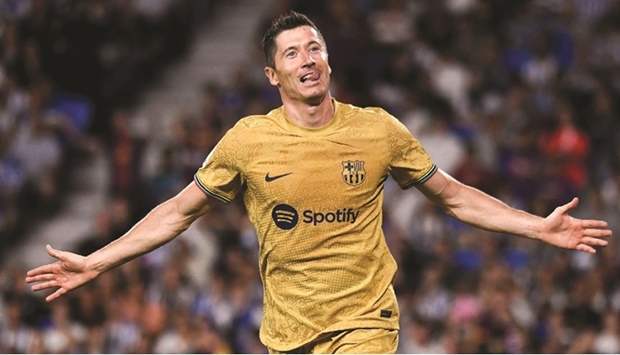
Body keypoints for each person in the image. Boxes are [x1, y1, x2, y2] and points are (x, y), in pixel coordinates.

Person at [25, 11, 612, 354]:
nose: (307, 57)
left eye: (316, 47)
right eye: (292, 52)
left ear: (328, 61)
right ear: (271, 73)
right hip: (286, 333)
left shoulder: (378, 130)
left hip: (365, 322)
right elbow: (177, 212)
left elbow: (454, 197)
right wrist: (99, 261)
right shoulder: (248, 140)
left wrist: (537, 226)